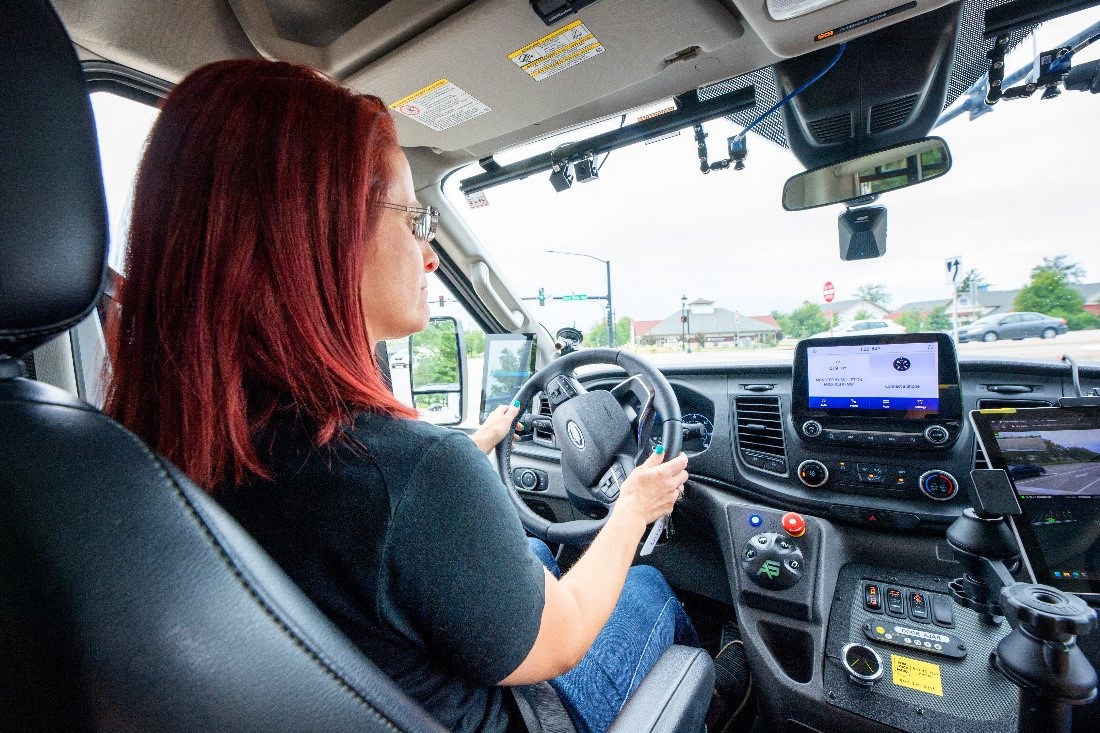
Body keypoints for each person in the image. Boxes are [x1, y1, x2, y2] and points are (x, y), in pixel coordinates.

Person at [104, 58, 697, 733]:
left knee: (533, 556)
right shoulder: (413, 473)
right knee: (648, 590)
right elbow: (563, 639)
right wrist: (633, 506)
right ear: (321, 233)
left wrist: (470, 452)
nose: (430, 255)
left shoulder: (161, 447)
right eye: (414, 221)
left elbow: (363, 537)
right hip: (527, 714)